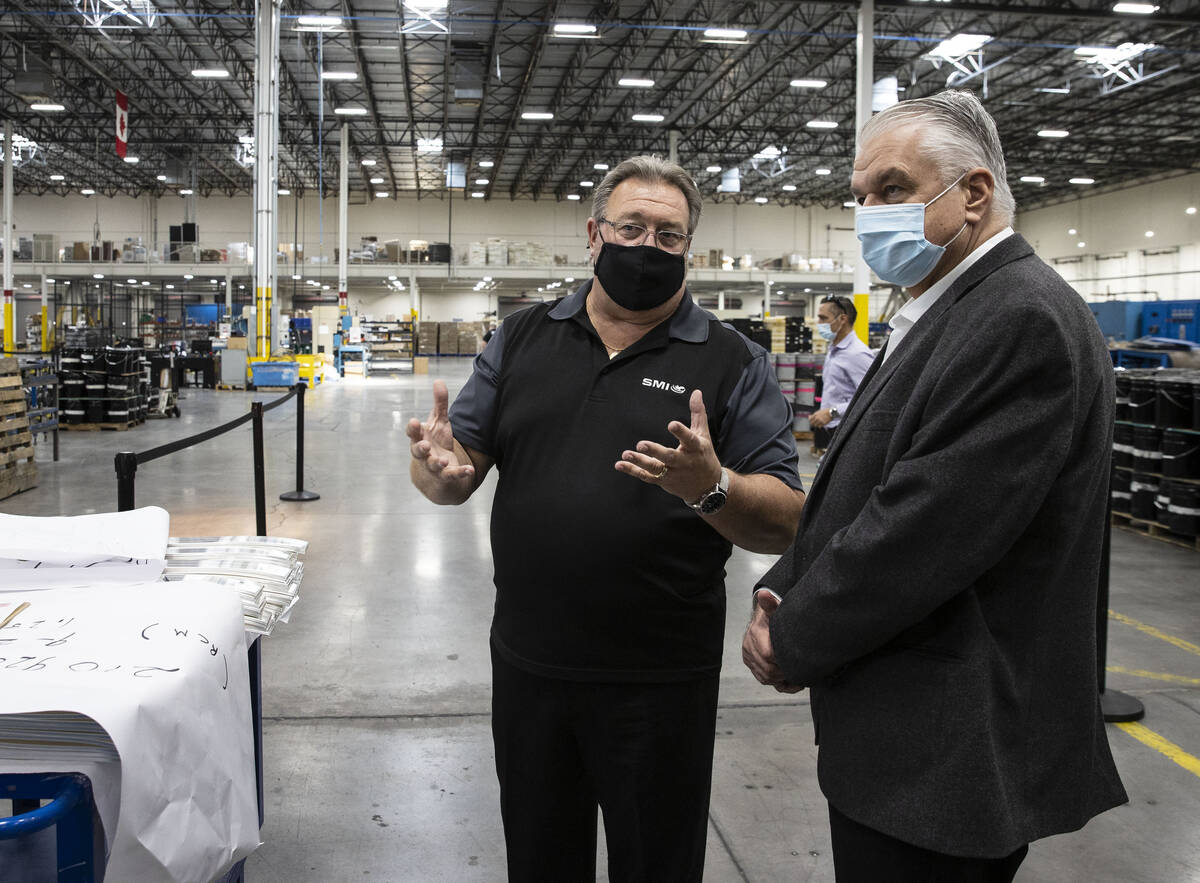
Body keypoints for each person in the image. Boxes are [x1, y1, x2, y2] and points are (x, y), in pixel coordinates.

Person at [742, 89, 1127, 881]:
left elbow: (922, 530)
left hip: (946, 750)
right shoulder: (945, 309)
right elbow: (862, 487)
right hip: (905, 737)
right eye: (859, 199)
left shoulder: (1020, 319)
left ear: (974, 196)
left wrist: (794, 633)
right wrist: (781, 588)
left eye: (892, 190)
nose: (868, 214)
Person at [407, 155, 806, 882]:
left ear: (691, 248)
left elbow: (786, 519)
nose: (648, 247)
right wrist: (438, 473)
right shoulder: (522, 338)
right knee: (539, 858)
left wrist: (712, 487)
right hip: (531, 666)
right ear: (594, 233)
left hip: (660, 681)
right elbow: (451, 469)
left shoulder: (730, 361)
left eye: (668, 235)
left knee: (656, 862)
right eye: (632, 227)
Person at [807, 295, 875, 453]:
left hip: (850, 432)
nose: (819, 324)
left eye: (823, 318)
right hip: (834, 430)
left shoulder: (857, 354)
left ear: (842, 319)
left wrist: (832, 412)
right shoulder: (834, 349)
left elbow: (871, 396)